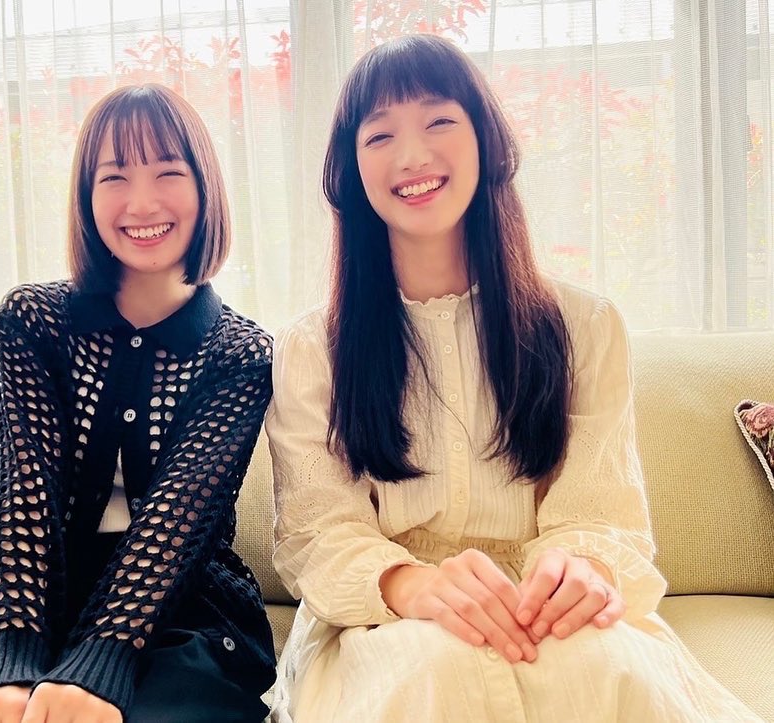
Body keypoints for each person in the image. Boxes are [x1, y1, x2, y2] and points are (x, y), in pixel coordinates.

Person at [266, 34, 760, 722]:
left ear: (486, 141)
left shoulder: (585, 326)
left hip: (545, 606)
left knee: (603, 665)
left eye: (439, 120)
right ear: (350, 170)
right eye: (379, 135)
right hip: (386, 617)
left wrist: (577, 568)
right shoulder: (312, 347)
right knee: (432, 669)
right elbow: (316, 532)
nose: (412, 155)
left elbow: (600, 511)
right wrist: (410, 584)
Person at [0, 84, 275, 723]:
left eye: (168, 172)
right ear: (86, 195)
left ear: (205, 188)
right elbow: (18, 495)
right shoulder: (33, 321)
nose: (142, 201)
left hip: (180, 614)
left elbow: (173, 526)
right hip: (21, 604)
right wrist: (5, 661)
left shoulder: (239, 354)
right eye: (114, 176)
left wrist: (97, 667)